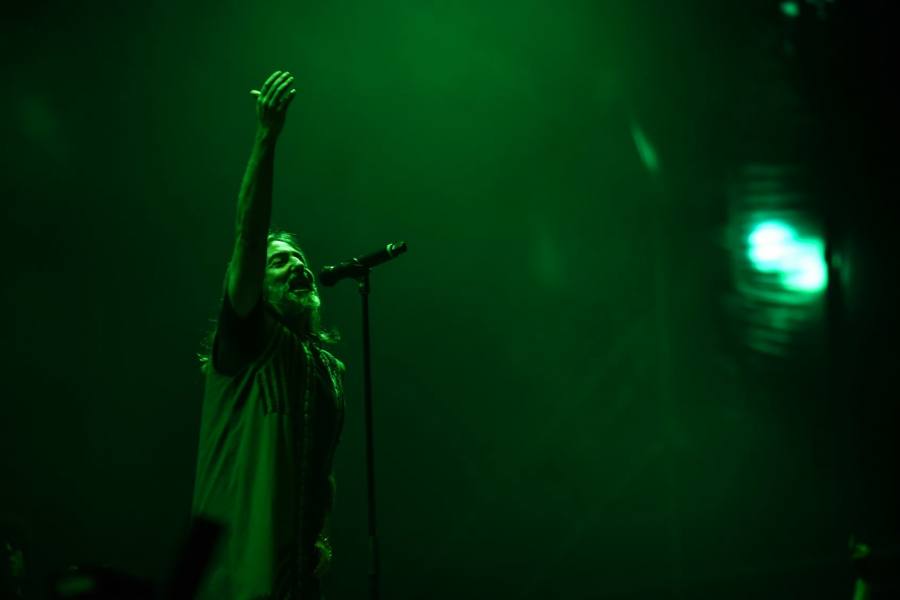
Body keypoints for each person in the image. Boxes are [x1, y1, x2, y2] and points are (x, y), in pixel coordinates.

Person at [192, 70, 345, 600]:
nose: (298, 266)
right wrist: (266, 137)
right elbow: (249, 236)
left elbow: (321, 470)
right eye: (279, 263)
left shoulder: (328, 370)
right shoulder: (249, 341)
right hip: (231, 578)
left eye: (299, 259)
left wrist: (316, 539)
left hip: (292, 580)